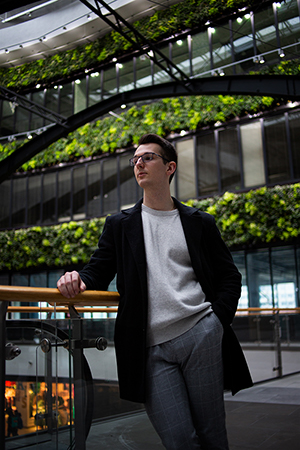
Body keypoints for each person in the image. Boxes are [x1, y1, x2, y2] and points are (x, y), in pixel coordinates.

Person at [57, 133, 253, 449]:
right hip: (148, 348)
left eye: (148, 157)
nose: (139, 164)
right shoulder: (121, 224)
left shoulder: (199, 222)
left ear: (169, 167)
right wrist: (76, 279)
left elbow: (229, 277)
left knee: (212, 434)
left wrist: (215, 321)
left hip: (199, 334)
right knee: (178, 439)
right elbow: (98, 270)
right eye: (135, 159)